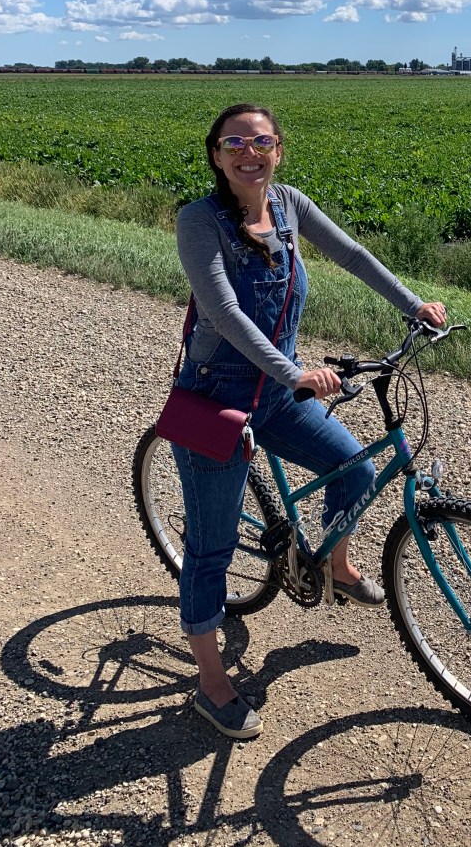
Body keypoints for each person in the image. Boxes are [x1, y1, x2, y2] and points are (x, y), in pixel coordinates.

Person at [171, 102, 446, 739]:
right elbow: (224, 312)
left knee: (355, 470)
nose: (249, 152)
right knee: (209, 548)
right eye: (234, 142)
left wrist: (413, 305)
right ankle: (211, 685)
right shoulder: (200, 221)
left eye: (261, 141)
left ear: (278, 150)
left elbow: (351, 255)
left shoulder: (289, 204)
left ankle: (334, 564)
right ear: (216, 154)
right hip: (220, 396)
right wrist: (293, 371)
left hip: (279, 389)